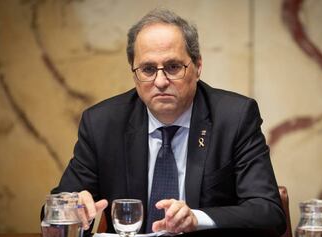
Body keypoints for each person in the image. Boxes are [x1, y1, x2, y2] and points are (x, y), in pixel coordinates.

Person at [48, 8, 286, 235]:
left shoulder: (234, 118)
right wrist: (70, 208)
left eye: (173, 67)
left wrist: (197, 218)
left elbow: (268, 212)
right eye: (148, 69)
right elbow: (52, 211)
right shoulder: (102, 124)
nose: (160, 81)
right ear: (134, 73)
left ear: (198, 66)